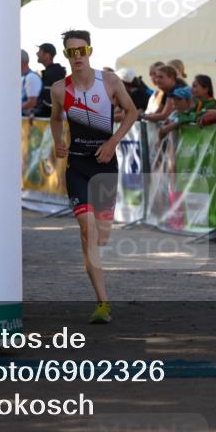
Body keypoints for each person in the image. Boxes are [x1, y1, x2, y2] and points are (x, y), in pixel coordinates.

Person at [49, 29, 138, 324]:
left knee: (101, 236)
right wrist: (58, 142)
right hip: (77, 166)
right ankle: (103, 302)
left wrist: (113, 143)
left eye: (80, 51)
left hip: (105, 166)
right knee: (87, 230)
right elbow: (55, 119)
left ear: (89, 51)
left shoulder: (109, 82)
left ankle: (100, 288)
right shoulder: (60, 89)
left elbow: (132, 112)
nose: (76, 57)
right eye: (70, 52)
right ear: (66, 56)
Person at [32, 43, 67, 118]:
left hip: (50, 122)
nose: (37, 53)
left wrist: (35, 113)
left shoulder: (52, 74)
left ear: (47, 55)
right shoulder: (52, 72)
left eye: (40, 51)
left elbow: (49, 102)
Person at [20, 49, 43, 116]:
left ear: (22, 62)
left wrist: (11, 108)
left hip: (27, 122)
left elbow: (32, 102)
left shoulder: (31, 77)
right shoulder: (23, 77)